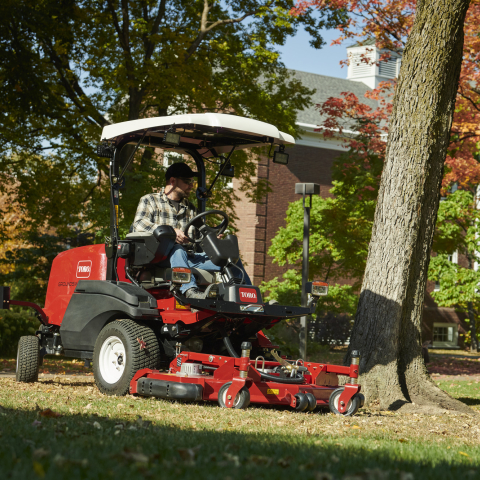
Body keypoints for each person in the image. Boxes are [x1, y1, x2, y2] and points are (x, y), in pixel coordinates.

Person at [132, 162, 251, 298]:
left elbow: (200, 236)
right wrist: (171, 231)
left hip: (189, 257)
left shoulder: (191, 208)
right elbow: (139, 224)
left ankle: (247, 296)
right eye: (187, 181)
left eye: (192, 182)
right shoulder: (150, 200)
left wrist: (213, 239)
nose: (192, 185)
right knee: (177, 249)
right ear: (173, 181)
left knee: (230, 257)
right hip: (159, 257)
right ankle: (190, 291)